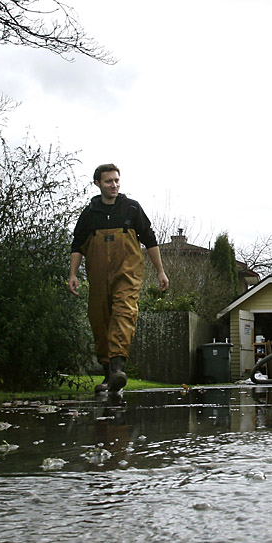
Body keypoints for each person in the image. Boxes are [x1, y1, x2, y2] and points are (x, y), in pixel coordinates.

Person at [68, 164, 168, 393]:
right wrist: (73, 274)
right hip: (98, 276)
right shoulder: (90, 214)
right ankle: (109, 376)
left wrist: (161, 271)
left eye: (116, 180)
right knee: (100, 320)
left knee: (124, 312)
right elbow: (77, 246)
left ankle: (118, 367)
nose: (113, 185)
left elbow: (150, 240)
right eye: (108, 181)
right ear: (97, 184)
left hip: (127, 274)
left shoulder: (131, 209)